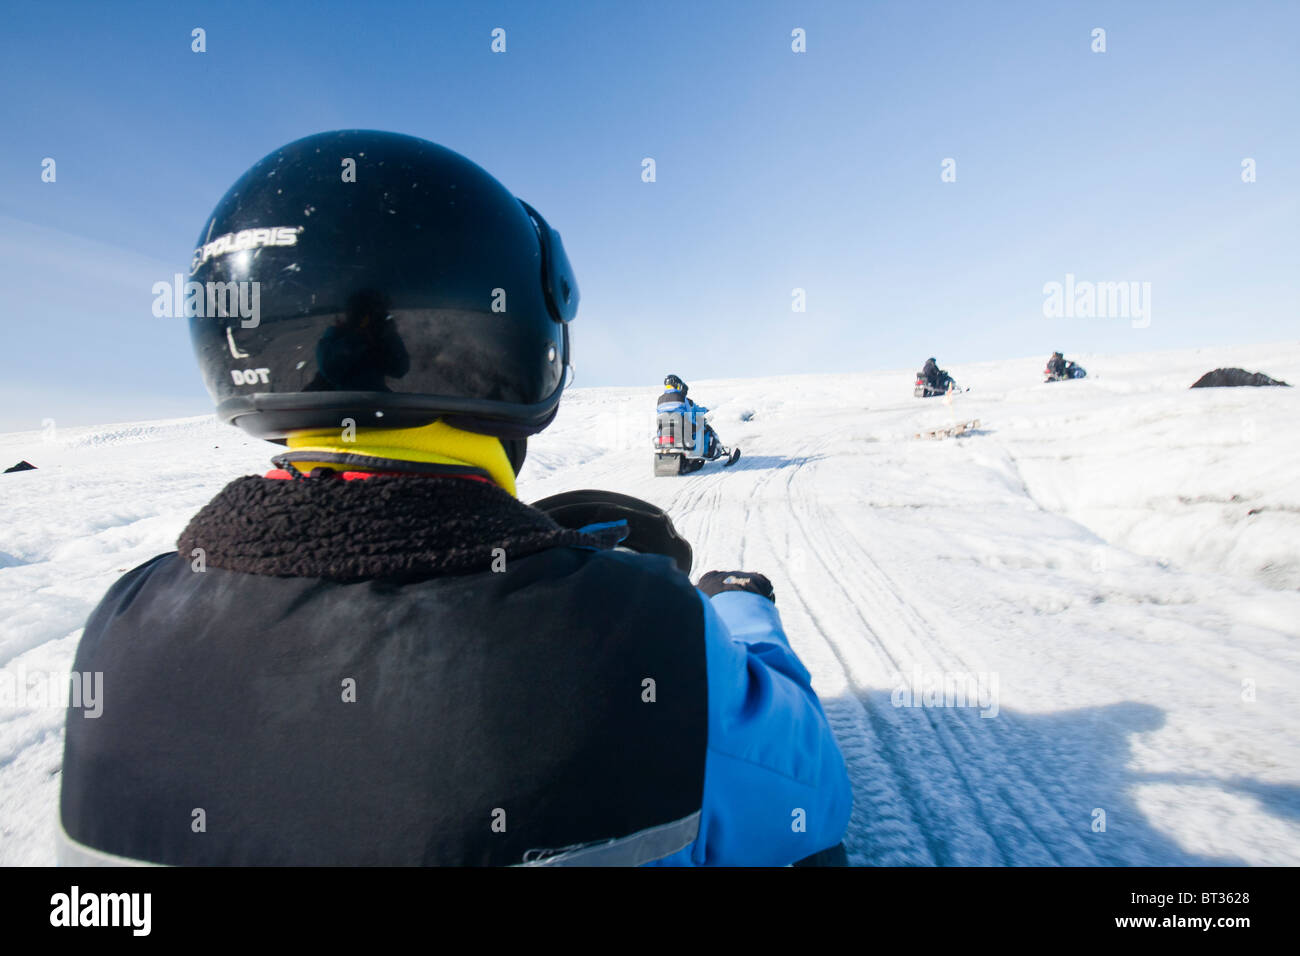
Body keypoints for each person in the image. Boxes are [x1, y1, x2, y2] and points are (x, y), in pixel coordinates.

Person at [57, 130, 852, 867]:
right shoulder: (644, 634)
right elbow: (816, 799)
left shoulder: (121, 626)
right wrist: (731, 610)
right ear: (518, 336)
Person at [658, 373, 721, 457]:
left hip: (664, 431)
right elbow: (688, 413)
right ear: (677, 385)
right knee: (702, 428)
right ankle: (704, 452)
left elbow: (659, 414)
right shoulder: (682, 398)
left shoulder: (660, 399)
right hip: (681, 427)